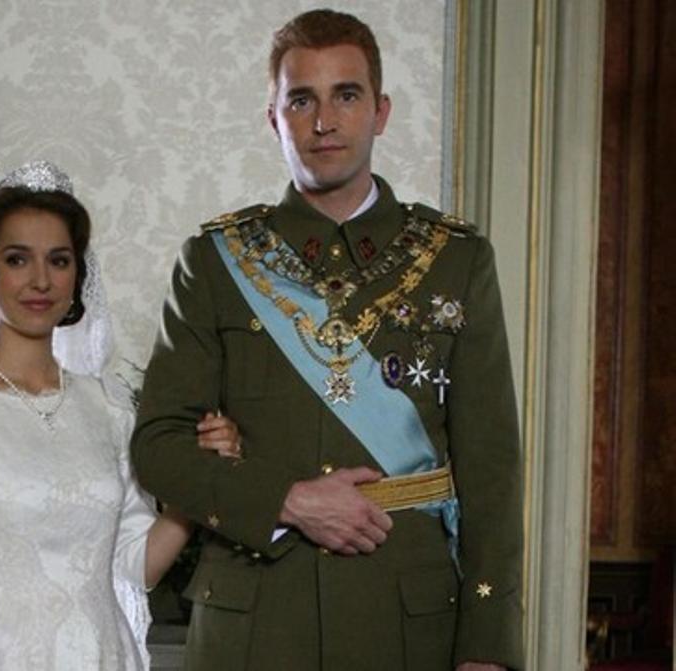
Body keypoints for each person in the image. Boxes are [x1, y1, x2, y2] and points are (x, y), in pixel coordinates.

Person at [131, 9, 524, 671]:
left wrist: (486, 645)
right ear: (274, 118)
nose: (324, 122)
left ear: (381, 111)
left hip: (407, 620)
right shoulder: (218, 260)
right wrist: (287, 499)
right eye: (301, 100)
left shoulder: (456, 259)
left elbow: (491, 469)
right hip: (253, 619)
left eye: (347, 95)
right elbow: (158, 448)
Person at [0, 161, 243, 671]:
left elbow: (139, 566)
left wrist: (200, 476)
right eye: (18, 259)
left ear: (77, 276)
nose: (41, 280)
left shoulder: (108, 406)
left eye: (59, 260)